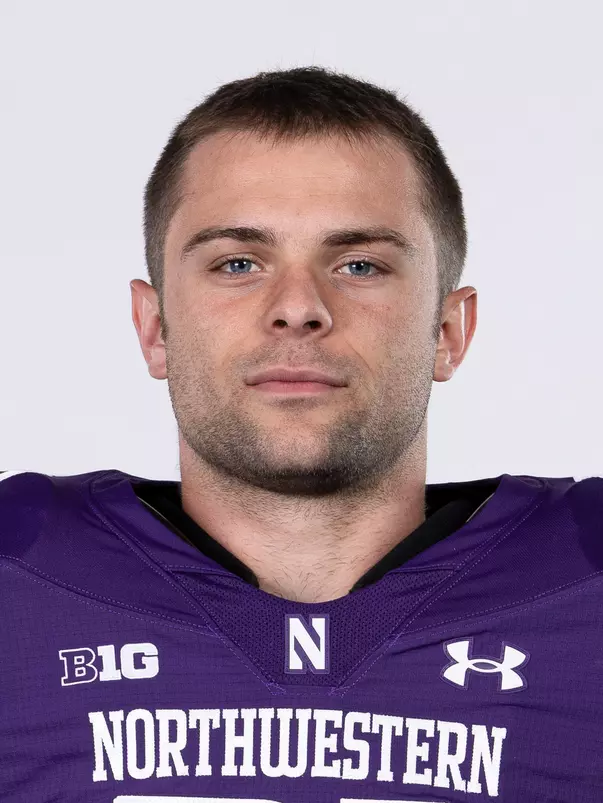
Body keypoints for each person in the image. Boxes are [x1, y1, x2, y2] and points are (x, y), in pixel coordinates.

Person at [1, 66, 601, 803]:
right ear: (154, 328)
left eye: (359, 264)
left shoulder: (585, 583)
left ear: (448, 331)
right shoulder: (19, 583)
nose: (297, 307)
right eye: (238, 263)